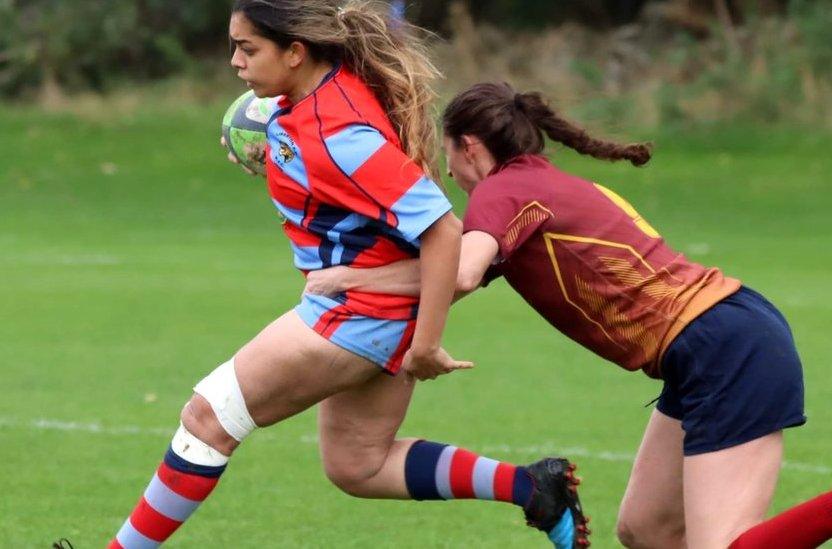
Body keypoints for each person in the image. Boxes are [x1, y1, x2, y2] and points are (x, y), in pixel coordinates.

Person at [305, 81, 832, 548]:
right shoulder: (539, 183)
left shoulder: (503, 193)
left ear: (470, 145)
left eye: (448, 155)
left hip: (723, 349)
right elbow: (460, 270)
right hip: (714, 343)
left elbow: (462, 270)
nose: (449, 171)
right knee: (647, 532)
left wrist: (351, 278)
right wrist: (369, 277)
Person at [106, 4, 590, 549]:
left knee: (207, 418)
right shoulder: (329, 91)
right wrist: (275, 143)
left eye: (248, 49)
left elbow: (443, 229)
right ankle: (532, 487)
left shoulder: (337, 135)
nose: (234, 62)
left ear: (295, 51)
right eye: (234, 46)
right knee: (359, 466)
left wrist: (427, 347)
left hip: (357, 313)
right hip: (377, 309)